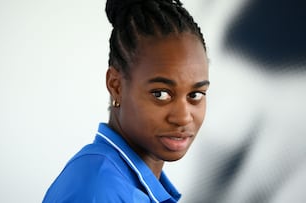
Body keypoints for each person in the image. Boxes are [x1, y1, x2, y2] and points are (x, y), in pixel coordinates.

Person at [42, 0, 209, 202]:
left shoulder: (122, 182)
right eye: (160, 94)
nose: (183, 117)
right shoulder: (99, 190)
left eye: (195, 95)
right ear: (116, 86)